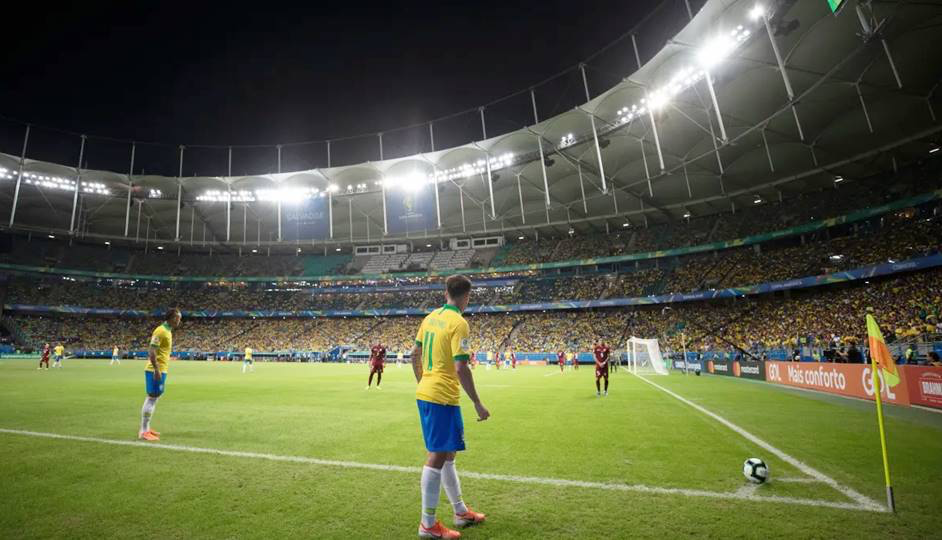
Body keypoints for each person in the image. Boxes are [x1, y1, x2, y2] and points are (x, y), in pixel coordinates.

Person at [411, 275, 487, 539]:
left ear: (446, 292)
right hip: (442, 397)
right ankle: (428, 525)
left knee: (449, 454)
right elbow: (460, 366)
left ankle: (460, 511)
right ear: (466, 297)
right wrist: (477, 402)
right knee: (437, 455)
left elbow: (414, 354)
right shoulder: (459, 323)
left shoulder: (430, 317)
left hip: (430, 392)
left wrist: (423, 381)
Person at [139, 308, 182, 442]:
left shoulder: (168, 331)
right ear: (172, 318)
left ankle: (146, 428)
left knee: (155, 397)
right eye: (178, 318)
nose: (179, 321)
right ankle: (143, 431)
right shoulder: (160, 331)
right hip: (155, 370)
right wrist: (156, 370)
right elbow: (152, 351)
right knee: (152, 397)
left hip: (161, 369)